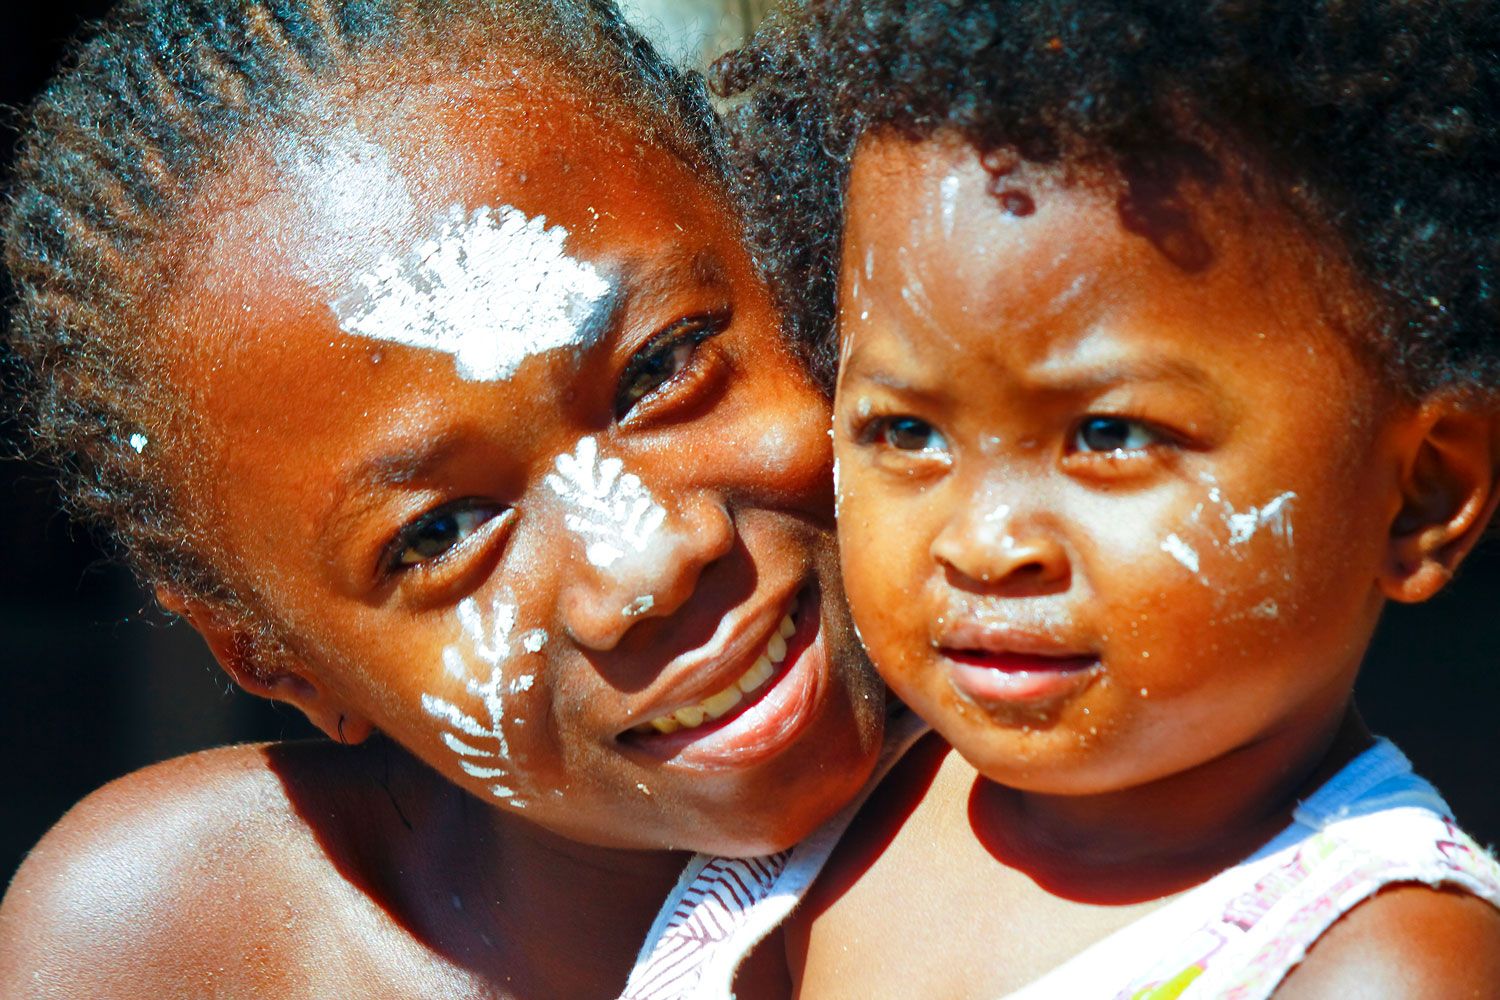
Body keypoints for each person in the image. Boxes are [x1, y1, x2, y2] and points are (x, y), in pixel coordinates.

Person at [0, 0, 886, 995]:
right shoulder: (182, 947)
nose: (645, 562)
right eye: (442, 532)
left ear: (792, 248)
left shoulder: (1073, 808)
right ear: (281, 664)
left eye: (660, 370)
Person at [705, 0, 1500, 995]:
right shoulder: (827, 804)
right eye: (907, 431)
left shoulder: (1372, 960)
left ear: (1422, 493)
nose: (986, 543)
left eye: (1110, 434)